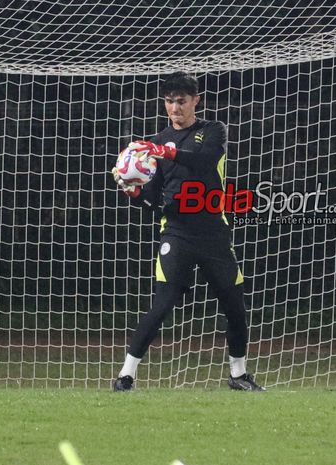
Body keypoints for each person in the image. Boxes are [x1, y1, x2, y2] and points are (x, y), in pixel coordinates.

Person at [111, 71, 264, 391]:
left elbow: (206, 162)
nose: (175, 108)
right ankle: (126, 376)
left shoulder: (212, 131)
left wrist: (165, 152)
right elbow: (154, 200)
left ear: (196, 100)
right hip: (176, 233)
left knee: (234, 304)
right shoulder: (154, 145)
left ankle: (238, 375)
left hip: (213, 233)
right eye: (169, 102)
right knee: (162, 304)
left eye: (181, 101)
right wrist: (134, 192)